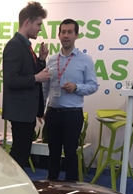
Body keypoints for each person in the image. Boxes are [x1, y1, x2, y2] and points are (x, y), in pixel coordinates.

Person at [42, 18, 98, 182]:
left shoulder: (85, 60)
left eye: (70, 32)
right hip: (53, 112)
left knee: (71, 154)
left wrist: (77, 87)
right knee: (53, 153)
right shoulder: (52, 60)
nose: (66, 35)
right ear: (59, 35)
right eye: (63, 32)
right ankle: (51, 185)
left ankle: (71, 187)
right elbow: (45, 87)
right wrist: (41, 109)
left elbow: (93, 85)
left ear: (76, 35)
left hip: (72, 114)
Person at [2, 1, 51, 169]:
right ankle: (10, 182)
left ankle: (12, 182)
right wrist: (36, 78)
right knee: (19, 154)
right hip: (20, 112)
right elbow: (11, 80)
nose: (40, 29)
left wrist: (41, 60)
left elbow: (28, 73)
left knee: (21, 153)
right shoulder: (15, 46)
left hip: (26, 112)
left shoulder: (25, 46)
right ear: (27, 22)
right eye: (38, 24)